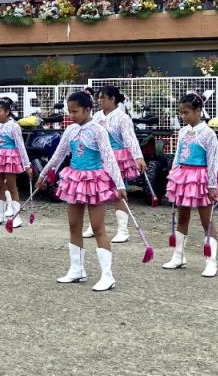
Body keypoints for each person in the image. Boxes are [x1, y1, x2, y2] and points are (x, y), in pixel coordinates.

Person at [36, 91, 125, 292]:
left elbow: (109, 158)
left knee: (97, 227)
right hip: (74, 179)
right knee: (74, 225)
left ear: (87, 109)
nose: (72, 115)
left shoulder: (98, 130)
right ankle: (77, 269)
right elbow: (58, 156)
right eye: (69, 111)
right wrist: (43, 175)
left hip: (94, 180)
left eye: (75, 111)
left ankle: (107, 275)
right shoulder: (70, 130)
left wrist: (120, 185)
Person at [164, 93, 218, 277]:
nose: (183, 116)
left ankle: (211, 261)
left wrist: (212, 185)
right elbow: (178, 155)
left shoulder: (208, 133)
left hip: (200, 177)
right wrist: (173, 175)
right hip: (183, 176)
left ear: (198, 111)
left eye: (186, 112)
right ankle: (178, 256)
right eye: (181, 113)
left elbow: (213, 161)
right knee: (182, 218)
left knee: (207, 220)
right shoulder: (182, 131)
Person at [93, 85, 147, 244]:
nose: (99, 100)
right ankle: (95, 225)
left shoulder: (122, 117)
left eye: (103, 97)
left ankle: (123, 230)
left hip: (117, 157)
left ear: (112, 99)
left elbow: (130, 138)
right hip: (99, 157)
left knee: (118, 191)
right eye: (99, 97)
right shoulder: (96, 116)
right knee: (96, 190)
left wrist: (138, 157)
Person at [0, 97, 31, 229]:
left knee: (11, 186)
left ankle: (16, 217)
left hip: (10, 158)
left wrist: (27, 165)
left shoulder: (14, 127)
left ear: (7, 111)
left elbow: (21, 146)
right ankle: (0, 216)